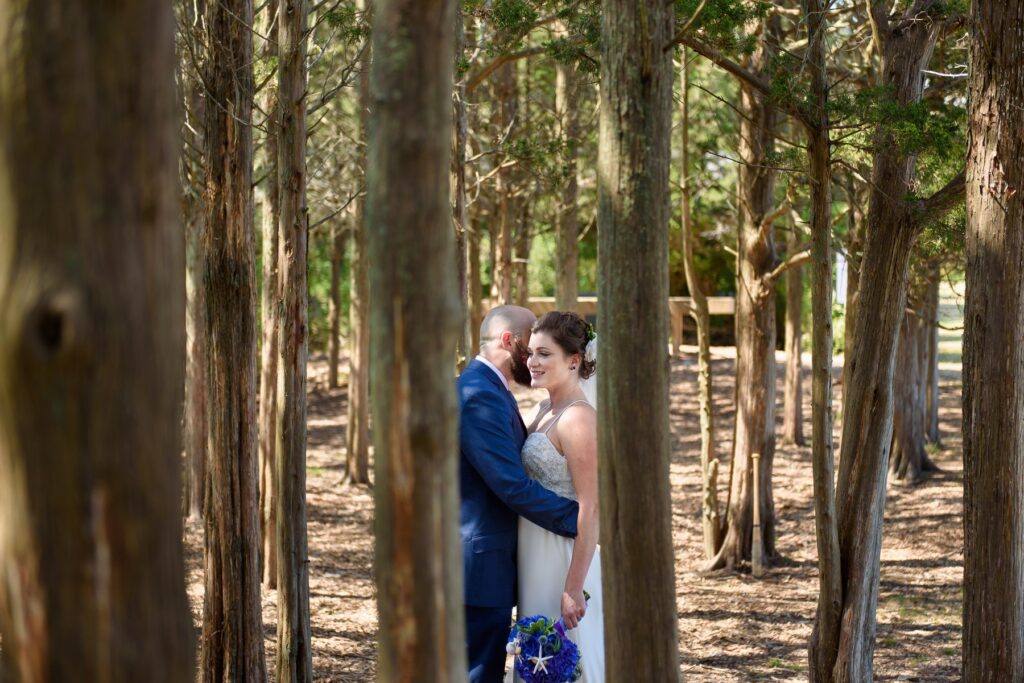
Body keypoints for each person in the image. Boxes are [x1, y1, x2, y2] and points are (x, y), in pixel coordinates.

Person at [459, 305, 580, 683]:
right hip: (479, 567)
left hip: (497, 563)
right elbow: (510, 484)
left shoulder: (493, 388)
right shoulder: (479, 394)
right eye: (531, 347)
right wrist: (580, 519)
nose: (533, 358)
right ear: (508, 340)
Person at [515, 311, 604, 682]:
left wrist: (572, 587)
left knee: (565, 660)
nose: (533, 362)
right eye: (531, 353)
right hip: (533, 554)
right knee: (536, 658)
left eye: (544, 354)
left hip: (563, 557)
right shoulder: (543, 409)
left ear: (573, 360)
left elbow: (592, 506)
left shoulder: (578, 419)